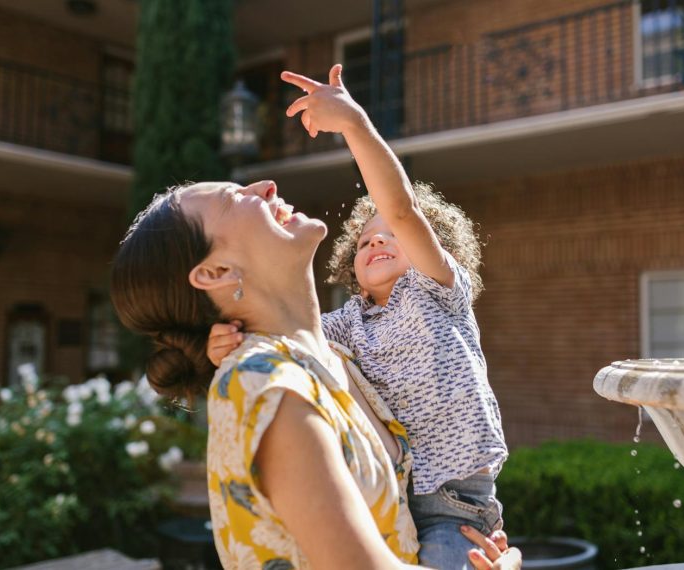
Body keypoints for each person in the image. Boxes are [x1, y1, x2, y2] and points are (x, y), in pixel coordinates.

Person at [109, 188, 521, 567]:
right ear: (216, 272)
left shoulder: (338, 359)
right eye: (232, 200)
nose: (265, 185)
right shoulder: (263, 381)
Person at [207, 64, 508, 570]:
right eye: (366, 240)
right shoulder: (348, 322)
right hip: (394, 498)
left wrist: (354, 125)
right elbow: (285, 333)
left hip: (457, 505)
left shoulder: (437, 291)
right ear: (352, 262)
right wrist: (226, 342)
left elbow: (404, 208)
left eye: (391, 234)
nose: (380, 240)